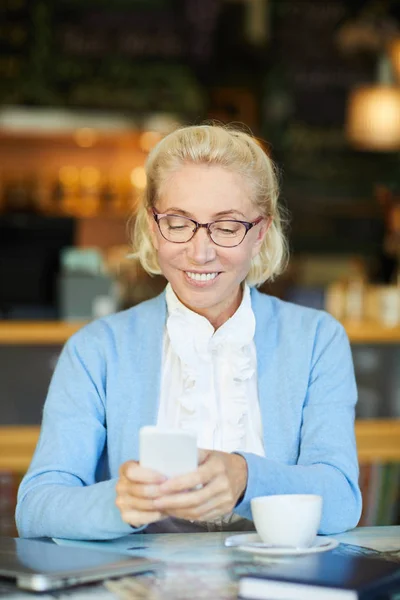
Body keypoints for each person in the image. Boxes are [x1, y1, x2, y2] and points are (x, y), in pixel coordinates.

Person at [16, 124, 362, 540]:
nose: (200, 252)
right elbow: (36, 508)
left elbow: (342, 500)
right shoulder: (96, 349)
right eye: (178, 222)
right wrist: (120, 501)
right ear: (152, 226)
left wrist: (246, 478)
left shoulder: (316, 340)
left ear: (260, 233)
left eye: (228, 226)